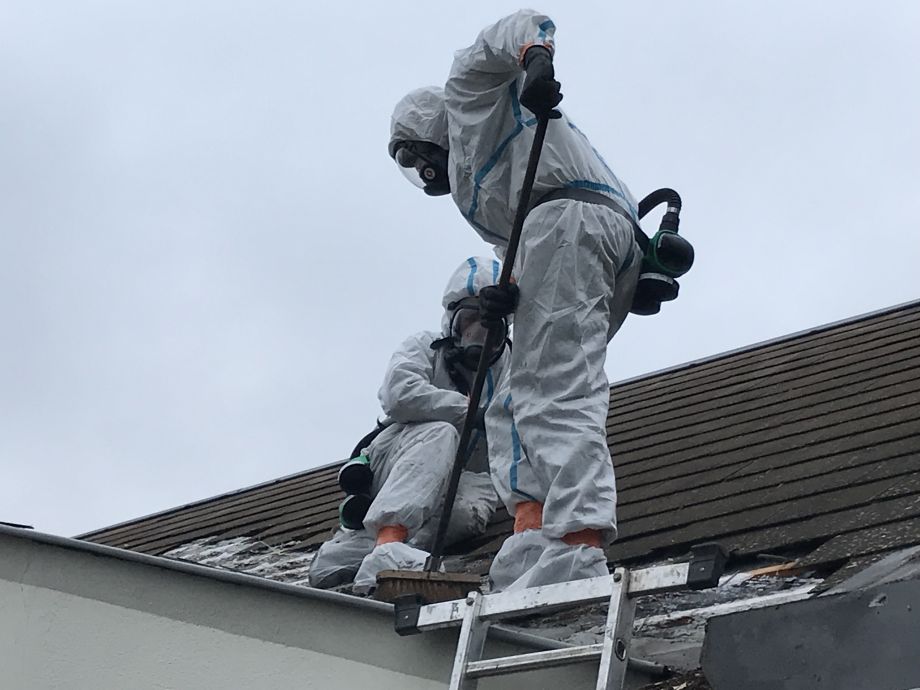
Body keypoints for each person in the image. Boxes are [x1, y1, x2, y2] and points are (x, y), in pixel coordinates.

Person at [387, 10, 643, 590]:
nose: (418, 169)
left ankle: (578, 539)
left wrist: (535, 58)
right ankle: (531, 532)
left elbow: (515, 26)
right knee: (510, 400)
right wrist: (510, 290)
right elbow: (515, 236)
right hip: (561, 235)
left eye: (412, 153)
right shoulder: (471, 187)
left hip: (569, 220)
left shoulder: (469, 100)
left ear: (430, 129)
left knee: (555, 386)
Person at [309, 257, 509, 593]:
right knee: (441, 433)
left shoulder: (508, 370)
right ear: (451, 322)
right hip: (401, 454)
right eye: (469, 321)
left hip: (462, 478)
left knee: (469, 513)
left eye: (488, 326)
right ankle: (390, 541)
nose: (478, 335)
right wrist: (469, 410)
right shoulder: (425, 347)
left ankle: (363, 554)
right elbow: (399, 394)